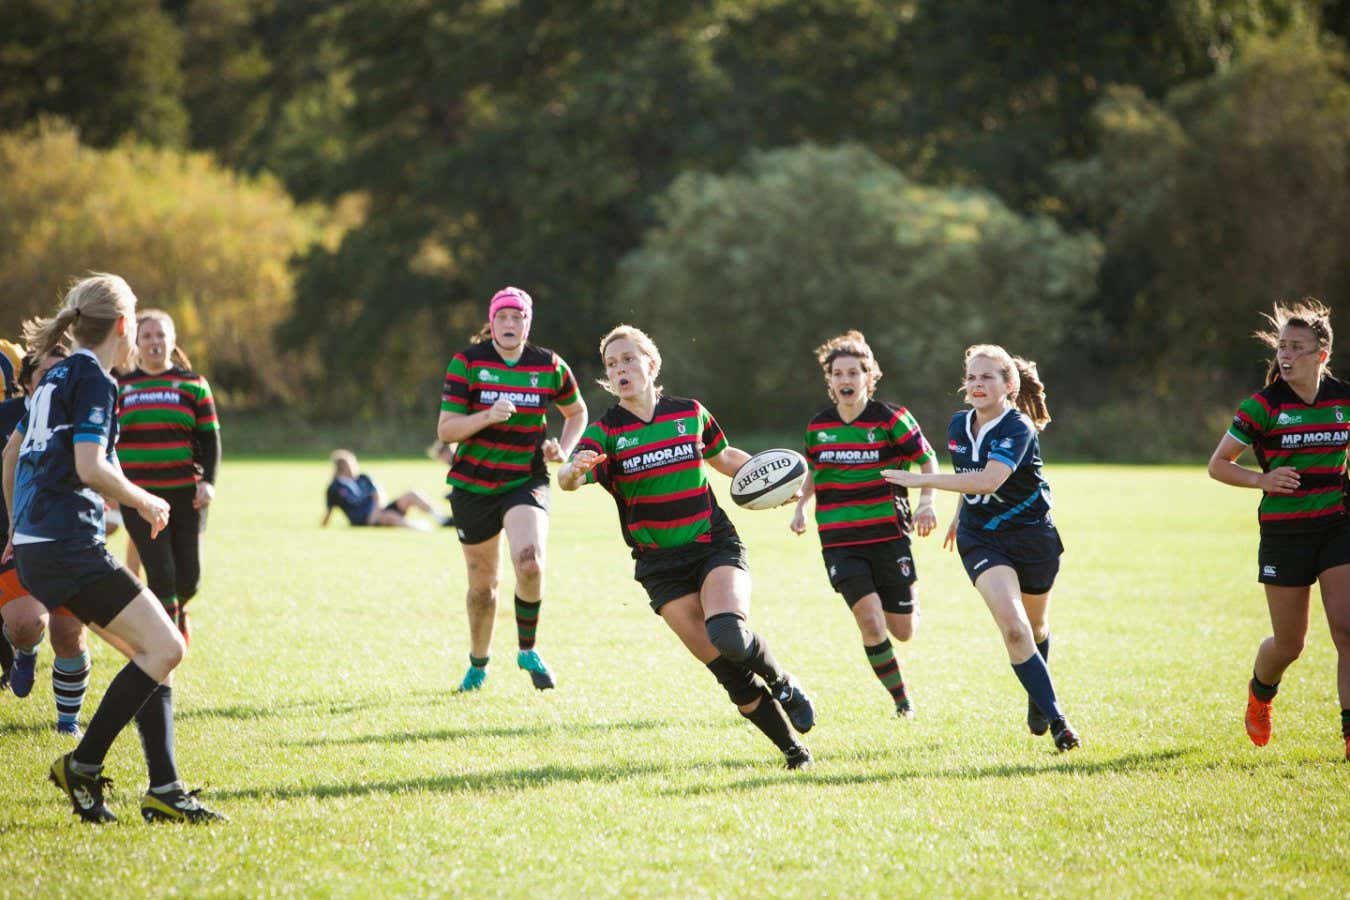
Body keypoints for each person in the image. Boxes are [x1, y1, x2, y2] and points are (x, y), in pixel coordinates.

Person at [2, 273, 223, 823]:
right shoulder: (98, 381)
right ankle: (82, 763)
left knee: (150, 654)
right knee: (167, 647)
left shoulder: (52, 378)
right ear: (124, 326)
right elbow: (89, 467)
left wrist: (16, 529)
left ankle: (165, 788)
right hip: (70, 548)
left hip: (39, 547)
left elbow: (12, 455)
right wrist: (143, 501)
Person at [559, 325, 816, 768]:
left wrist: (776, 481)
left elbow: (724, 457)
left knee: (729, 633)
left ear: (651, 364)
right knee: (729, 675)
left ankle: (784, 682)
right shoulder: (606, 432)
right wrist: (572, 470)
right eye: (611, 365)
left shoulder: (689, 413)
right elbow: (568, 479)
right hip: (659, 565)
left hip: (712, 544)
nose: (620, 369)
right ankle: (794, 752)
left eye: (628, 359)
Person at [883, 344, 1080, 751]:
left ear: (1008, 385)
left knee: (1036, 626)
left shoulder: (1018, 427)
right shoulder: (959, 425)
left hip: (1033, 537)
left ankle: (1037, 697)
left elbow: (989, 480)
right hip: (981, 538)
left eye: (987, 377)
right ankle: (1060, 722)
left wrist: (921, 482)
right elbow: (968, 475)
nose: (976, 384)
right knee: (1013, 628)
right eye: (971, 377)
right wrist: (959, 514)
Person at [1207, 299, 1350, 762]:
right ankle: (1260, 692)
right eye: (1282, 347)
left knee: (1347, 629)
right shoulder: (1263, 406)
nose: (1286, 355)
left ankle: (1349, 736)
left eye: (1298, 348)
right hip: (1285, 533)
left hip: (1337, 524)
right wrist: (1262, 480)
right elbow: (1218, 465)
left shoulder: (1342, 399)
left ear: (1321, 354)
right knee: (1290, 643)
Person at [437, 287, 587, 692]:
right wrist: (487, 415)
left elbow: (577, 412)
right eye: (502, 317)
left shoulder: (549, 365)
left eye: (517, 317)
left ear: (528, 322)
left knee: (530, 562)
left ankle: (527, 649)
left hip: (526, 479)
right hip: (472, 484)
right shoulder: (467, 363)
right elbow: (447, 429)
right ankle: (478, 662)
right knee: (483, 586)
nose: (509, 324)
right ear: (492, 322)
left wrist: (564, 448)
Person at [789, 330, 939, 718]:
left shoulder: (891, 418)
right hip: (839, 540)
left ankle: (910, 600)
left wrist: (926, 502)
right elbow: (814, 472)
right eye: (838, 374)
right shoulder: (817, 427)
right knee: (871, 624)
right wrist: (801, 507)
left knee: (903, 631)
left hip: (888, 535)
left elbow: (927, 460)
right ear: (830, 381)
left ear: (869, 377)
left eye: (854, 373)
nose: (845, 380)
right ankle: (901, 701)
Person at [1, 345, 93, 735]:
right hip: (16, 540)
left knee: (68, 635)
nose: (57, 383)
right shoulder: (7, 419)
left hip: (71, 538)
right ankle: (25, 648)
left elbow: (104, 467)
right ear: (25, 383)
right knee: (25, 624)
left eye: (63, 374)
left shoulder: (82, 418)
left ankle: (67, 722)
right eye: (46, 375)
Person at [116, 310, 219, 645]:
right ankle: (167, 644)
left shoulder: (194, 385)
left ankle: (176, 612)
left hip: (186, 496)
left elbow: (210, 439)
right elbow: (107, 442)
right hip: (140, 499)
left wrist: (208, 482)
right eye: (146, 336)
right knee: (161, 573)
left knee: (189, 579)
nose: (154, 342)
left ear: (172, 341)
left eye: (161, 335)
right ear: (136, 343)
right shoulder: (119, 387)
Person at [322, 449, 451, 529]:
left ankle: (442, 519)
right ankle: (420, 528)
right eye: (351, 465)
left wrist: (377, 511)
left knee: (412, 494)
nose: (355, 467)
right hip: (364, 520)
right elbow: (329, 510)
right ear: (342, 468)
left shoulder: (363, 477)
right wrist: (322, 527)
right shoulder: (334, 488)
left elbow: (378, 492)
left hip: (378, 511)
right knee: (390, 516)